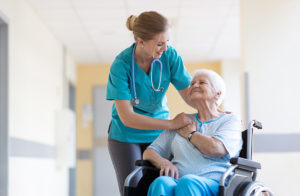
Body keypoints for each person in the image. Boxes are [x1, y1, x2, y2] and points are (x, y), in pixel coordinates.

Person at [106, 11, 194, 195]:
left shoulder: (169, 57)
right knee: (134, 188)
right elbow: (128, 118)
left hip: (159, 134)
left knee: (162, 184)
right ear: (141, 41)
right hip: (126, 136)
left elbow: (189, 93)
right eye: (160, 44)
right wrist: (171, 124)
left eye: (167, 42)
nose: (165, 49)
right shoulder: (121, 66)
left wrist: (215, 110)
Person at [143, 69, 243, 196]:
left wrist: (191, 135)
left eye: (202, 82)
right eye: (192, 84)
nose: (194, 85)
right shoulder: (181, 121)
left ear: (217, 94)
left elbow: (216, 148)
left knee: (188, 182)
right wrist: (163, 162)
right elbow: (149, 152)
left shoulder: (229, 120)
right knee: (162, 183)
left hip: (214, 183)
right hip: (179, 181)